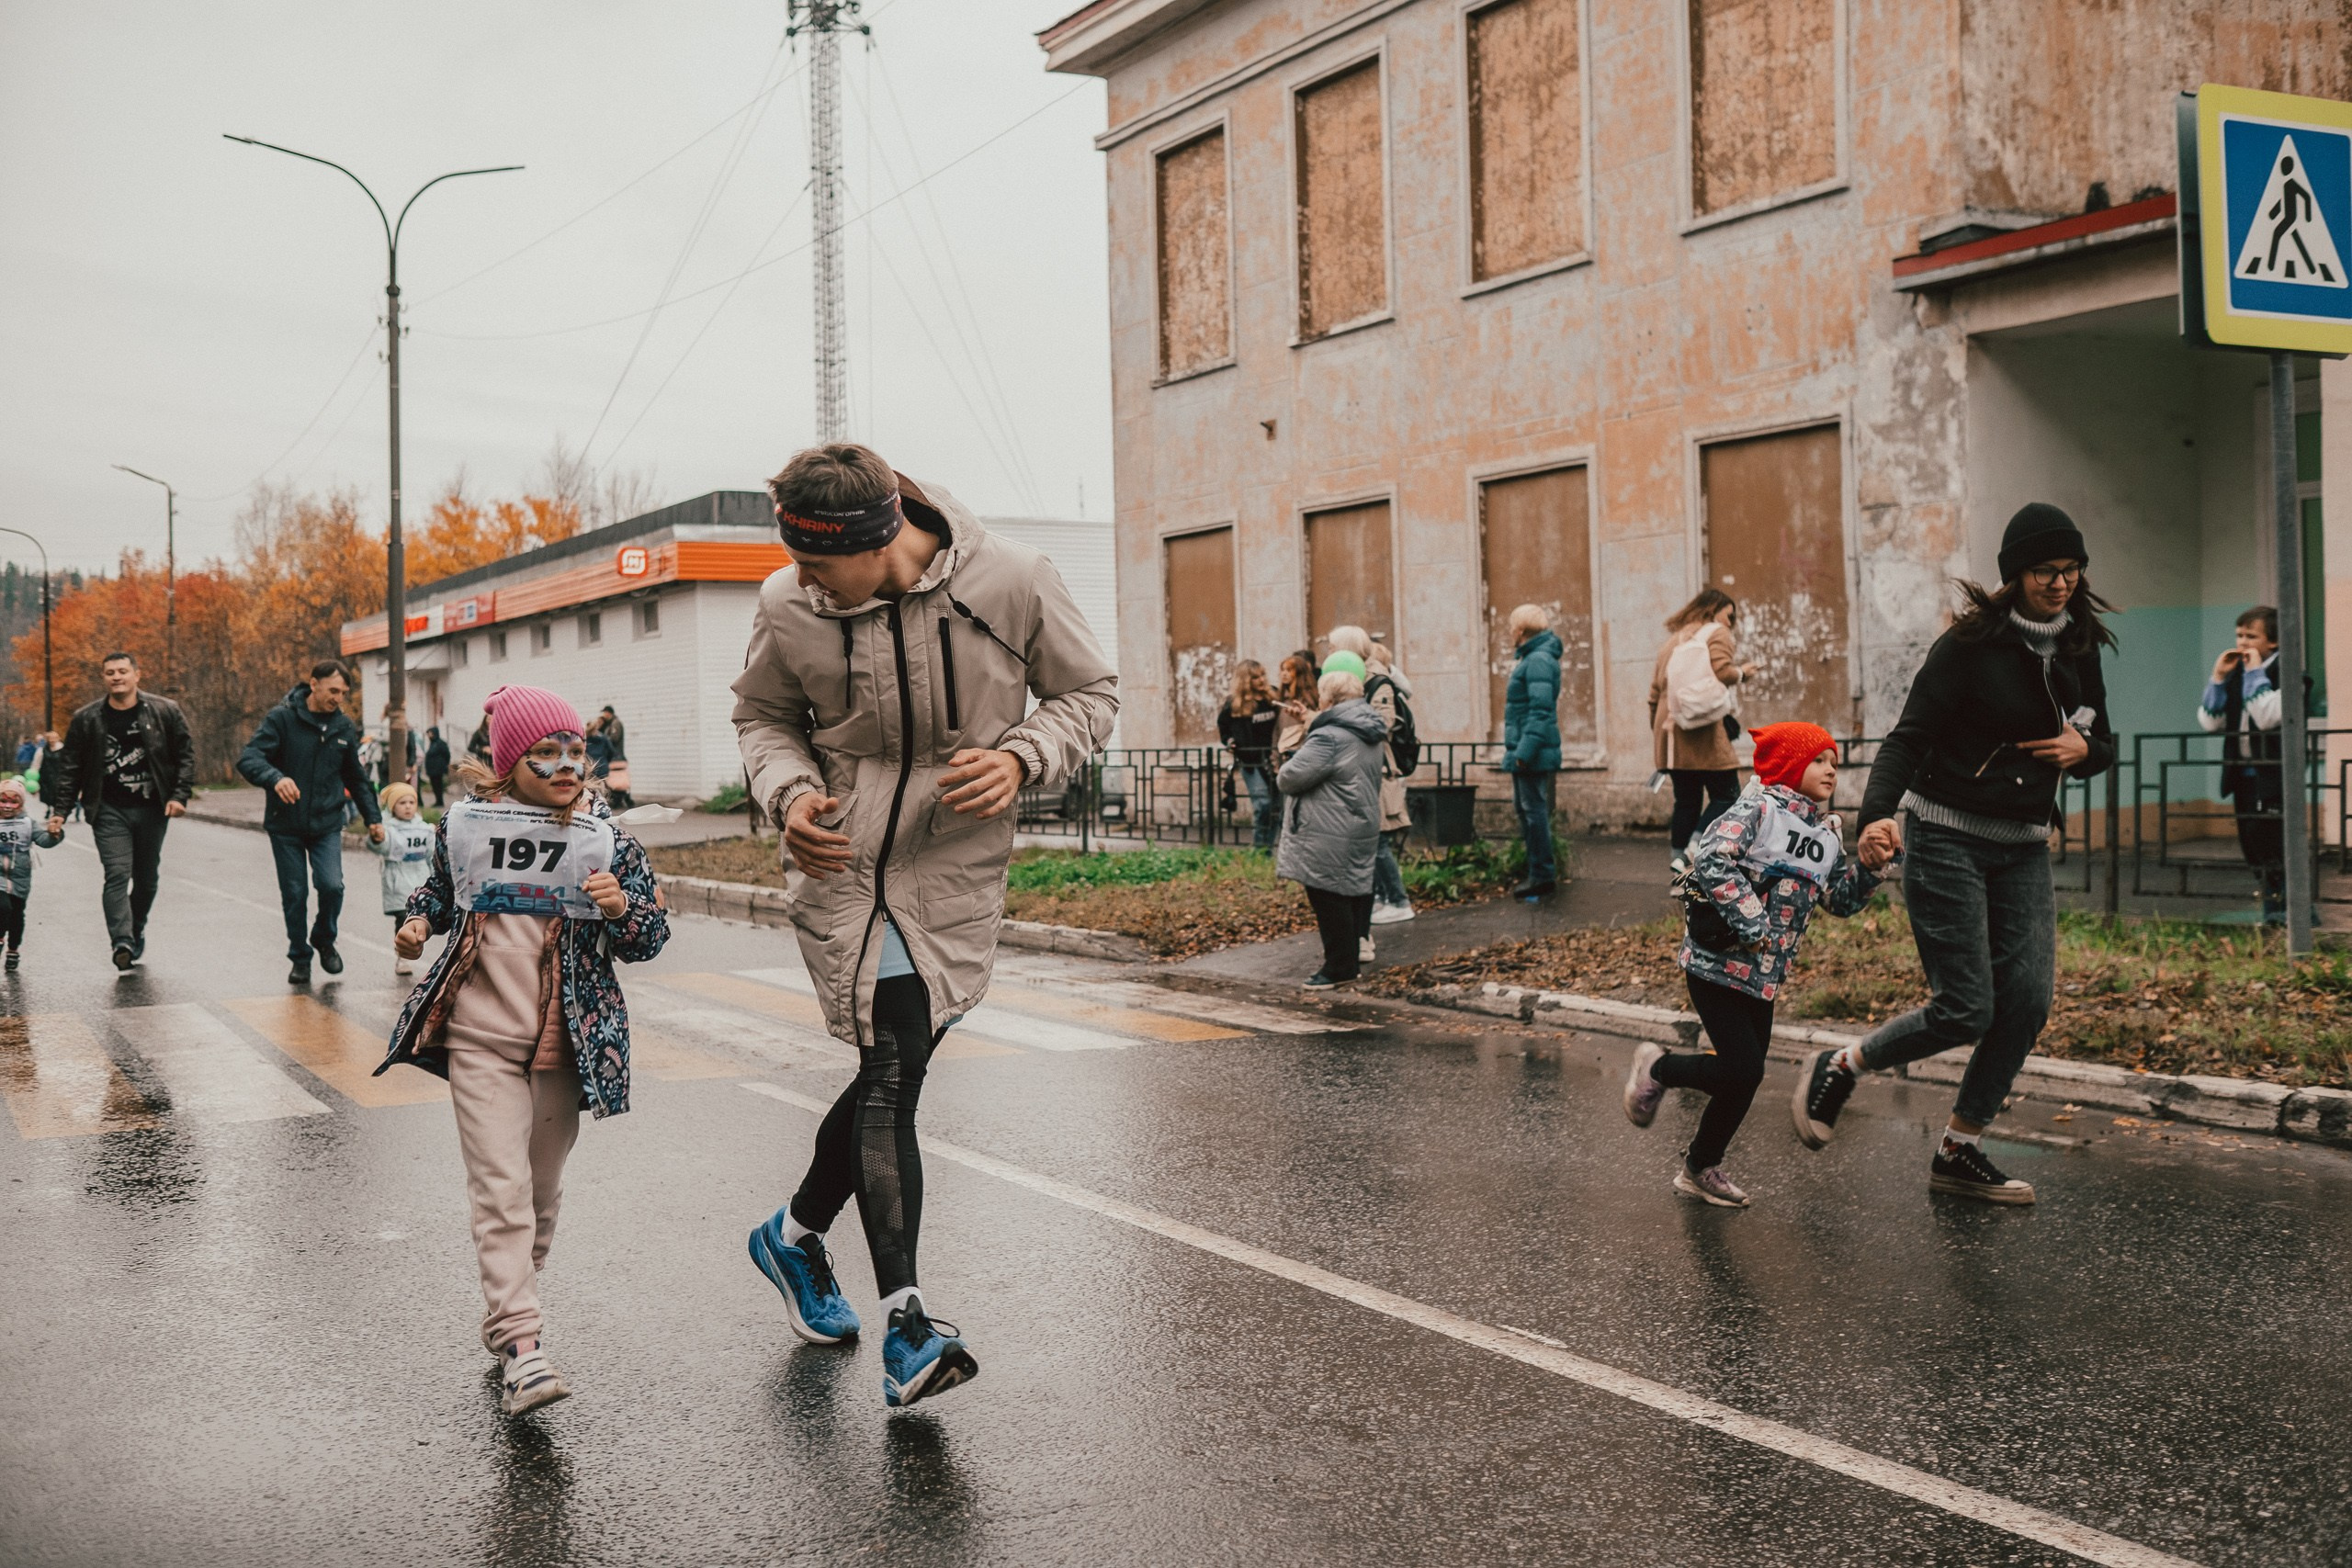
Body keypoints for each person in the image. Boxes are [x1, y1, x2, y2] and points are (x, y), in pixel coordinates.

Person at [733, 442, 1116, 1408]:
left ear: (878, 540)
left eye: (818, 563)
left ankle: (790, 1237)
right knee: (894, 1069)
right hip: (845, 857)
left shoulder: (1014, 580)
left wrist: (1026, 755)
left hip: (954, 862)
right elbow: (762, 719)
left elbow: (1089, 693)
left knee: (888, 1070)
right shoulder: (789, 605)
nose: (801, 581)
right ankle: (908, 1324)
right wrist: (787, 796)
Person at [1791, 502, 2114, 1205]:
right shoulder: (1970, 645)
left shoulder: (2081, 644)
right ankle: (1841, 1062)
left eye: (2070, 569)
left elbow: (2103, 740)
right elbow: (1907, 737)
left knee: (2025, 1003)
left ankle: (1958, 1149)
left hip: (2023, 846)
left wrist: (2086, 750)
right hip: (1945, 834)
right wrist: (1876, 815)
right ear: (2015, 575)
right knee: (1968, 1006)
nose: (2060, 583)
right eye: (2044, 571)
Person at [380, 684, 670, 1416]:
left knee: (539, 1194)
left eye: (576, 750)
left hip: (565, 1042)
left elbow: (649, 939)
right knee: (499, 1190)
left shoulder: (608, 839)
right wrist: (417, 924)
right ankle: (523, 1344)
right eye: (548, 752)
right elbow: (438, 894)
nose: (568, 763)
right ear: (511, 763)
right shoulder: (467, 825)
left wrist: (620, 908)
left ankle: (512, 1306)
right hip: (478, 1036)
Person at [1623, 724, 1882, 1206]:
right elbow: (1710, 861)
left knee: (1745, 1075)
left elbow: (1839, 901)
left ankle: (1699, 1167)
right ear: (1789, 764)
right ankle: (1658, 1069)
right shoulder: (1757, 810)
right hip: (1714, 963)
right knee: (1743, 1071)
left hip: (1763, 976)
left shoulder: (1823, 834)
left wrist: (1871, 869)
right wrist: (1754, 924)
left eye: (1834, 763)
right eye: (1820, 760)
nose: (1832, 770)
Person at [237, 660, 385, 987]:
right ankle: (299, 957)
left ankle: (323, 937)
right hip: (285, 823)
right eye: (333, 690)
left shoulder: (343, 726)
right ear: (313, 684)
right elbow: (249, 759)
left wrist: (374, 818)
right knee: (295, 893)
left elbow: (356, 778)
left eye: (344, 693)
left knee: (332, 886)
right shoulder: (282, 719)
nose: (338, 698)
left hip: (326, 822)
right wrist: (275, 778)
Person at [49, 651, 194, 970]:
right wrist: (61, 809)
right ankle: (122, 941)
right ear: (104, 678)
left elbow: (184, 755)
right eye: (110, 672)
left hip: (152, 808)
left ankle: (135, 928)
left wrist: (179, 795)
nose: (116, 677)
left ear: (136, 675)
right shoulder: (87, 718)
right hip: (108, 809)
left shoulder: (164, 711)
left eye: (122, 671)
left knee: (147, 880)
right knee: (116, 874)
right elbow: (71, 767)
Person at [1276, 667, 1388, 988]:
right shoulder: (1368, 728)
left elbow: (1289, 777)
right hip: (1359, 820)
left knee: (1327, 891)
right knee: (1352, 889)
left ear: (1331, 698)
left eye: (1323, 694)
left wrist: (1292, 755)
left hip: (1329, 825)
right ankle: (1350, 958)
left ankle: (1338, 966)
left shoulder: (1328, 736)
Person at [1651, 588, 1759, 873]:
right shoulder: (1716, 633)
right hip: (1701, 731)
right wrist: (1743, 673)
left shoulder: (1670, 642)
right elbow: (1723, 671)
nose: (1731, 623)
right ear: (1713, 611)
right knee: (1727, 794)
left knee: (1686, 801)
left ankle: (1679, 875)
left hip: (1670, 732)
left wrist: (1660, 738)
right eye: (1729, 616)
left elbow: (1653, 695)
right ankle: (1689, 854)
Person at [2198, 606, 2288, 923]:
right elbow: (2211, 723)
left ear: (2273, 643)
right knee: (2252, 846)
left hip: (2275, 776)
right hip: (2242, 774)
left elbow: (2266, 717)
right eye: (2239, 635)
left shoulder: (2287, 673)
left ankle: (2290, 912)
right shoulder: (2238, 672)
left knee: (2275, 844)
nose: (2243, 642)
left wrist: (2253, 674)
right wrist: (2219, 678)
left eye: (2252, 636)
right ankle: (2273, 909)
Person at [1329, 628, 1417, 927]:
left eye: (1332, 647)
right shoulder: (1352, 679)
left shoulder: (1378, 682)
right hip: (1362, 768)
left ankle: (1399, 901)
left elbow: (1383, 724)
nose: (1329, 653)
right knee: (1367, 842)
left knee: (1377, 841)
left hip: (1377, 769)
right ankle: (1380, 898)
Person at [1502, 605, 1563, 902]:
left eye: (1512, 627)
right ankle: (1537, 873)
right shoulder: (1533, 658)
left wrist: (1523, 752)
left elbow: (1541, 711)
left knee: (1533, 813)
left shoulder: (1537, 660)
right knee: (1527, 811)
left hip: (1531, 751)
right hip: (1528, 749)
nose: (1510, 633)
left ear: (1522, 631)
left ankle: (1542, 876)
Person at [371, 782, 438, 976]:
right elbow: (381, 848)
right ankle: (402, 956)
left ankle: (415, 950)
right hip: (398, 880)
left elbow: (431, 855)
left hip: (420, 879)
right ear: (392, 807)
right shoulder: (387, 830)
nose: (408, 806)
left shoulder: (424, 829)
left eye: (411, 802)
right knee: (404, 919)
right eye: (402, 803)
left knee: (422, 919)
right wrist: (378, 838)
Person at [0, 778, 66, 973]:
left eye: (14, 801)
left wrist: (55, 835)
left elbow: (44, 840)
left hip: (20, 878)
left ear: (21, 803)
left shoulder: (28, 823)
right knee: (2, 907)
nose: (8, 806)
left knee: (17, 915)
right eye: (3, 801)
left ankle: (13, 950)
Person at [1218, 660, 1283, 852]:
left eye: (1263, 675)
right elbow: (1223, 727)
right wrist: (1230, 742)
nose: (1261, 680)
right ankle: (1258, 848)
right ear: (1246, 680)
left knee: (1276, 809)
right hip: (1250, 762)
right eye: (1255, 677)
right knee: (1262, 804)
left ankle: (1267, 850)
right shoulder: (1234, 704)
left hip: (1273, 760)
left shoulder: (1271, 697)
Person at [1273, 650, 1320, 761]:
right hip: (1285, 752)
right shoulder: (1281, 698)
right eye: (1282, 670)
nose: (1284, 674)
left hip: (1302, 752)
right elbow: (1277, 729)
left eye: (1289, 670)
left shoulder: (1308, 698)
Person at [424, 727, 452, 809]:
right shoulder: (432, 743)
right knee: (434, 785)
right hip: (432, 769)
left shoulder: (440, 743)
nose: (429, 735)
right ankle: (437, 800)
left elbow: (447, 755)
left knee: (438, 785)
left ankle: (440, 801)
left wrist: (443, 765)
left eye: (430, 733)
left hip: (438, 769)